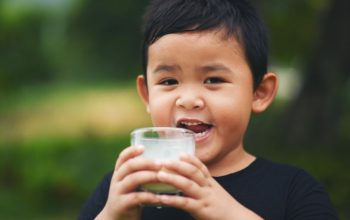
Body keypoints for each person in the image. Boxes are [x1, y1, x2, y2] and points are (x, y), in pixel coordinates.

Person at [79, 0, 338, 219]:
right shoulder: (121, 190)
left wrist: (229, 213)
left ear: (259, 93)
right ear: (146, 94)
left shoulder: (293, 190)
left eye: (213, 80)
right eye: (169, 81)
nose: (189, 100)